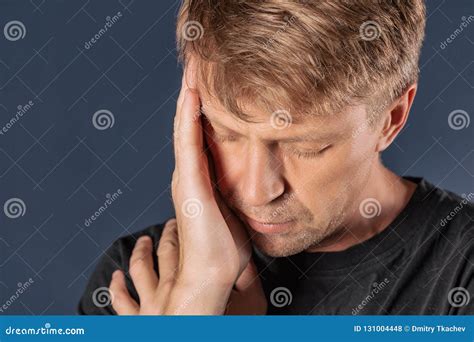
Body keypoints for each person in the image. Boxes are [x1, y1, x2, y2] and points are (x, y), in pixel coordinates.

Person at [78, 0, 474, 315]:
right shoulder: (136, 278)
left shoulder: (462, 273)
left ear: (392, 118)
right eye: (225, 133)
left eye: (306, 147)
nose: (256, 192)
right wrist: (200, 295)